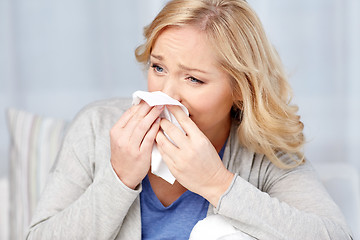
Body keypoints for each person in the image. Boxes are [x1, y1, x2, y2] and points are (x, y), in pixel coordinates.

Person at [27, 0, 353, 239]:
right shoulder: (97, 127)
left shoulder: (264, 152)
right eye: (158, 68)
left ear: (240, 89)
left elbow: (335, 236)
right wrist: (119, 178)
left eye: (193, 79)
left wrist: (217, 183)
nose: (168, 93)